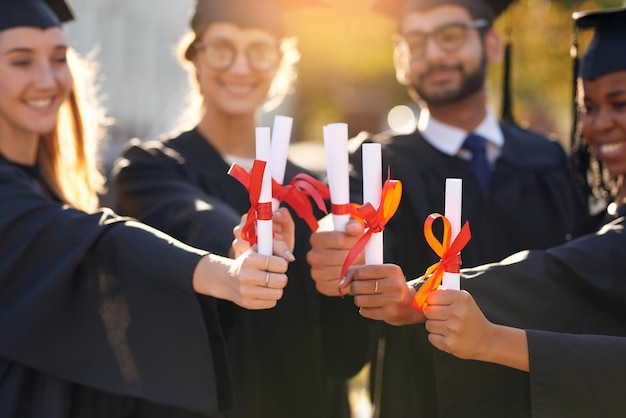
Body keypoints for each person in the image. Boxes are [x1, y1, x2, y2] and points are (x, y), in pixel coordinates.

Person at [0, 0, 294, 416]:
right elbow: (97, 239)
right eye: (21, 61)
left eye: (59, 58)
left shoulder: (53, 189)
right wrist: (223, 273)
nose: (47, 79)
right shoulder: (19, 199)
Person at [341, 6, 626, 417]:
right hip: (429, 398)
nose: (435, 54)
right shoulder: (379, 164)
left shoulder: (546, 158)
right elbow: (346, 239)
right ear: (399, 59)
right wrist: (339, 246)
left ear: (492, 43)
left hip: (540, 395)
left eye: (451, 35)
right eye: (591, 109)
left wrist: (421, 296)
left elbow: (570, 273)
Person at [111, 1, 357, 417]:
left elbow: (345, 357)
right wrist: (244, 240)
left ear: (280, 64)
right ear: (194, 57)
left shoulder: (311, 193)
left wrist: (348, 273)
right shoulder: (149, 169)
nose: (241, 67)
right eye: (223, 47)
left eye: (259, 50)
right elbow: (190, 215)